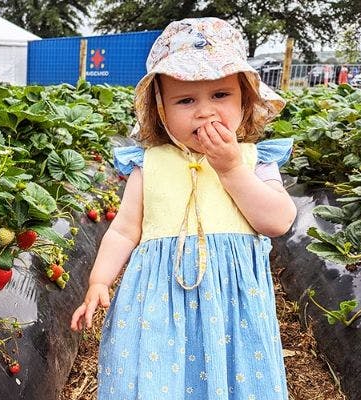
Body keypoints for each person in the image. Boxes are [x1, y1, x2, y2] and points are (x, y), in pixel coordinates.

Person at [69, 17, 297, 399]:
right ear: (161, 109)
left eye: (220, 95)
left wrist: (230, 169)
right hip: (159, 306)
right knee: (161, 380)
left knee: (232, 378)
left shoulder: (255, 160)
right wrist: (98, 281)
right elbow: (124, 230)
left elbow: (277, 221)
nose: (205, 112)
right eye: (186, 100)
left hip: (232, 311)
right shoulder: (150, 165)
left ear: (245, 100)